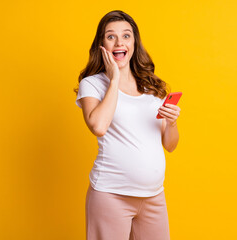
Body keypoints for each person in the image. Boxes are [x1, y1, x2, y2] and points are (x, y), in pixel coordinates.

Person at [74, 10, 181, 240]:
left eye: (126, 36)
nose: (119, 42)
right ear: (101, 43)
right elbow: (99, 126)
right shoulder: (92, 84)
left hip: (154, 197)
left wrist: (171, 123)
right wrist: (114, 78)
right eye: (111, 36)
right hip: (111, 195)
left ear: (134, 42)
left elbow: (170, 145)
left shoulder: (151, 87)